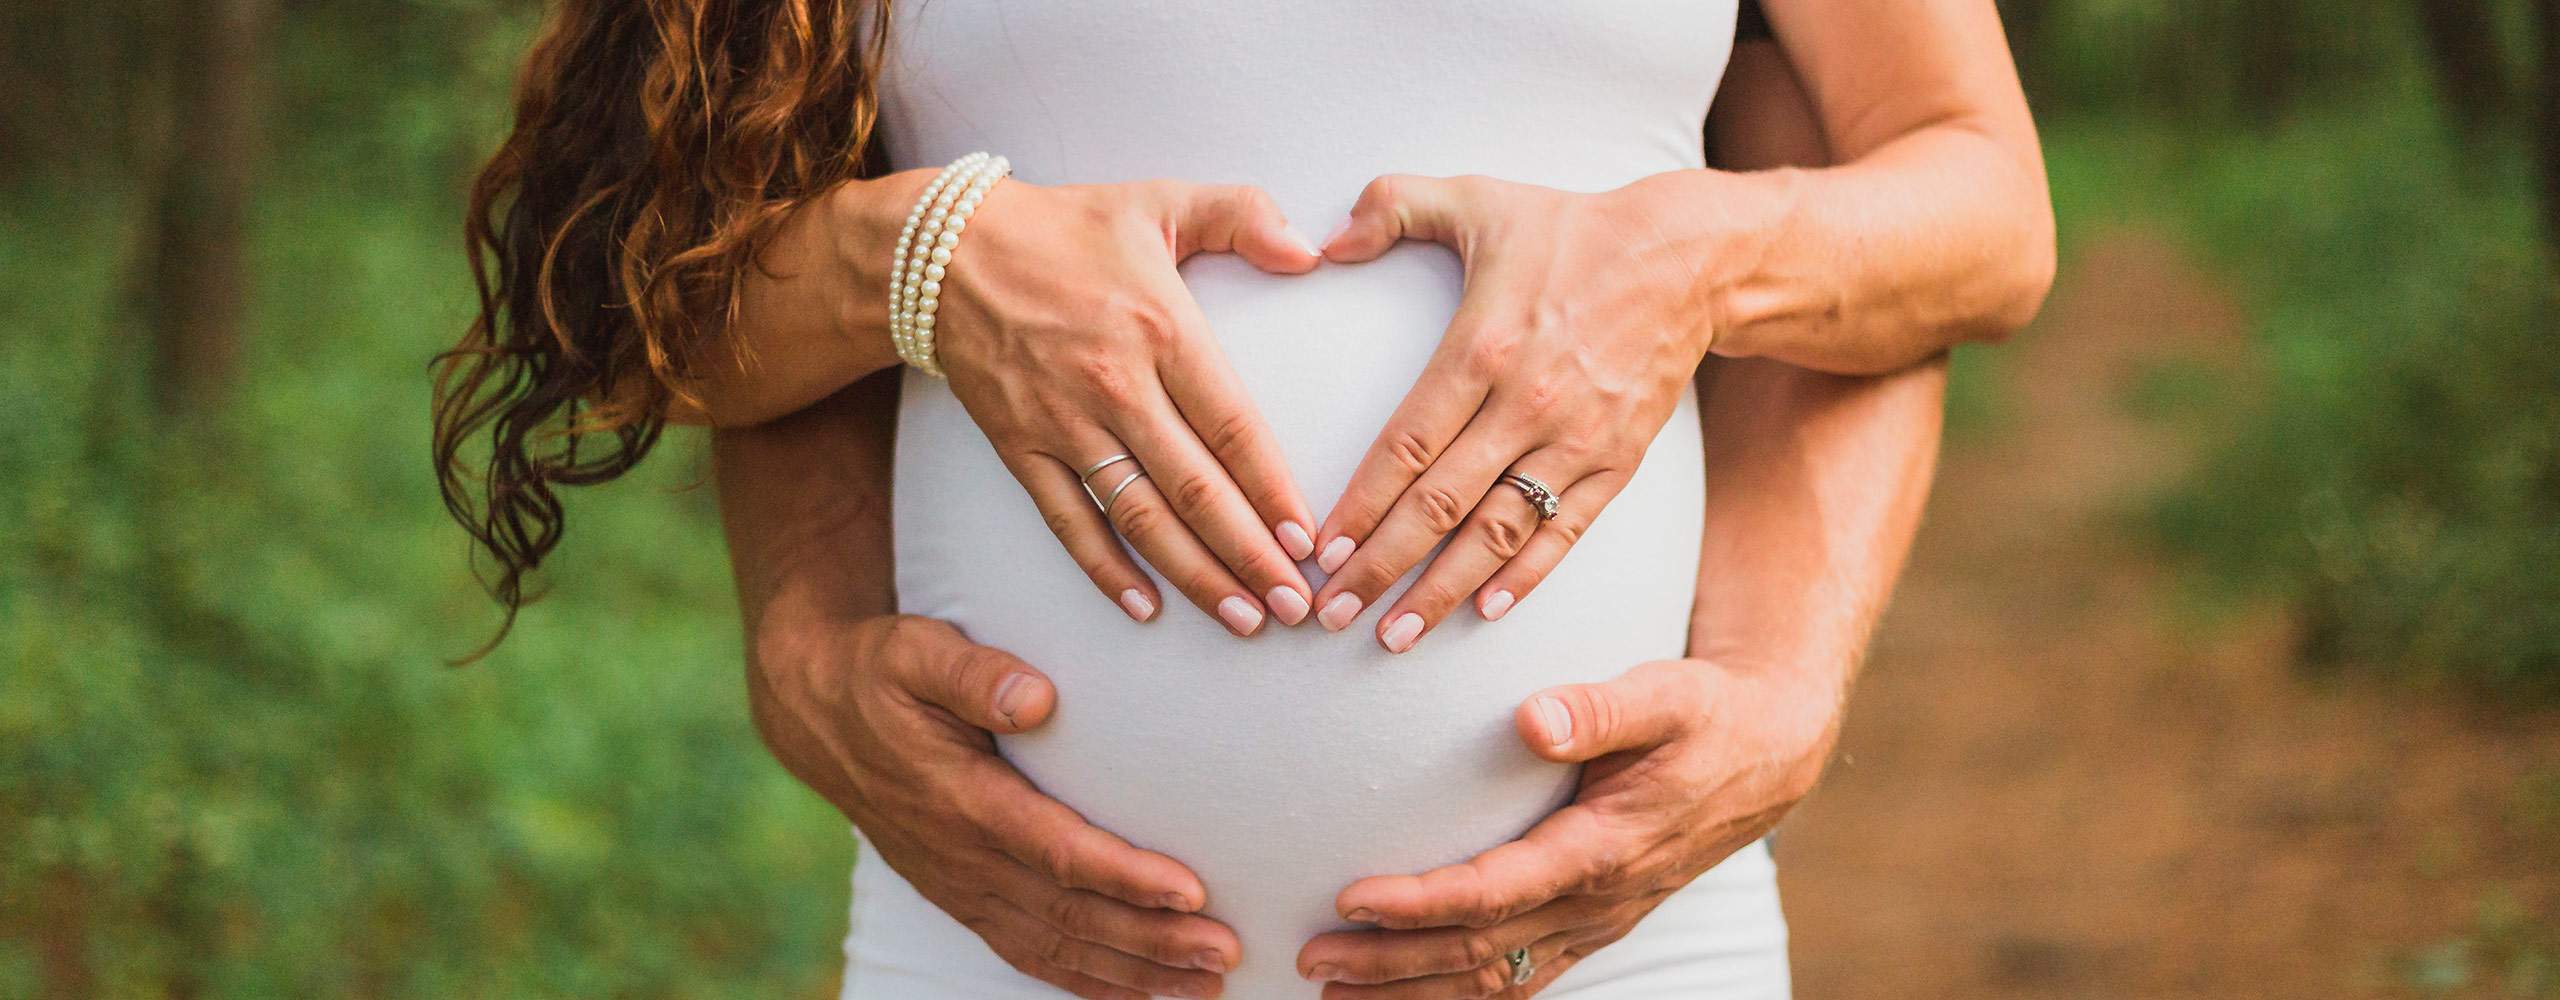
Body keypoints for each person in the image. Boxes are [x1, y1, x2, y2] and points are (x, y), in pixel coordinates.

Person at [434, 1, 2051, 997]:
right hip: (1000, 955)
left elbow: (1969, 205)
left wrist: (1694, 259)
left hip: (1618, 959)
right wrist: (926, 260)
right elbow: (629, 297)